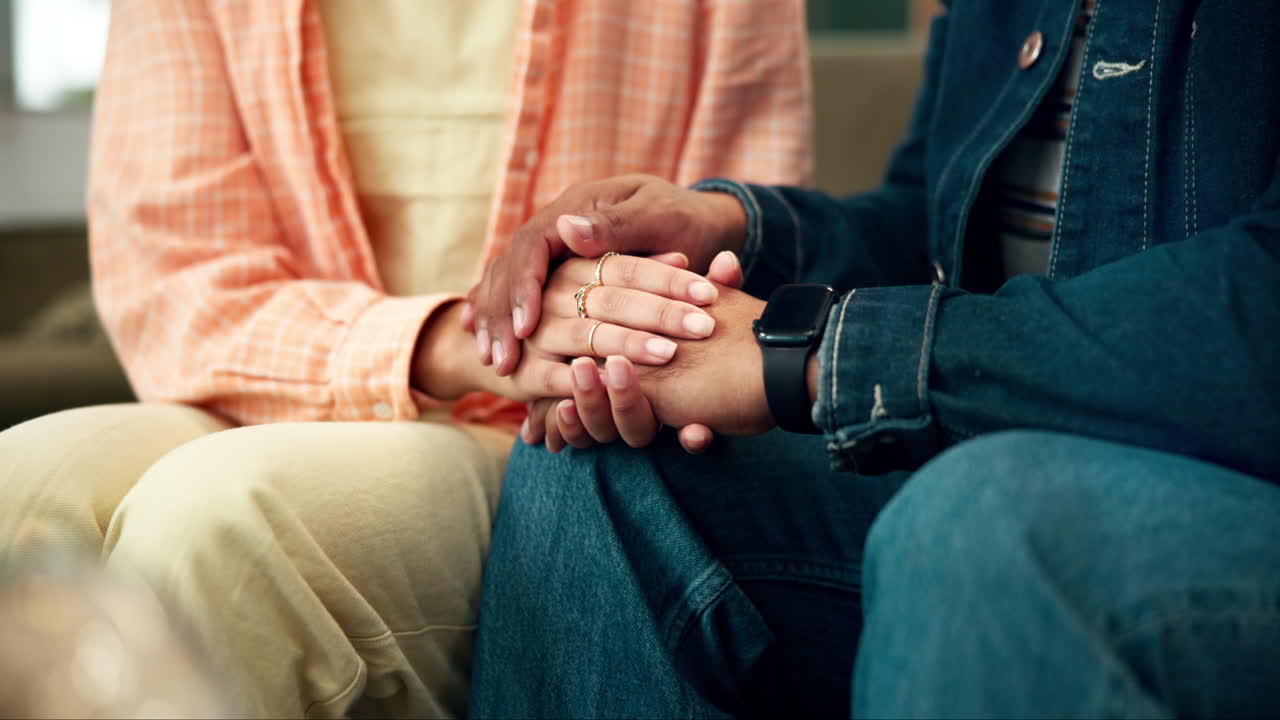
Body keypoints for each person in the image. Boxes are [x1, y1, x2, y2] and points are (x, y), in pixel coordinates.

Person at [464, 0, 1280, 716]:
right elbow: (932, 224)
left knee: (981, 525)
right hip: (995, 452)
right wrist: (729, 231)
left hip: (1207, 494)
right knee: (606, 464)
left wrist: (811, 354)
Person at [0, 0, 812, 717]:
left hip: (537, 435)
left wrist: (643, 344)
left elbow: (739, 238)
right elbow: (175, 282)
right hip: (262, 386)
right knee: (17, 488)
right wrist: (464, 340)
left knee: (218, 522)